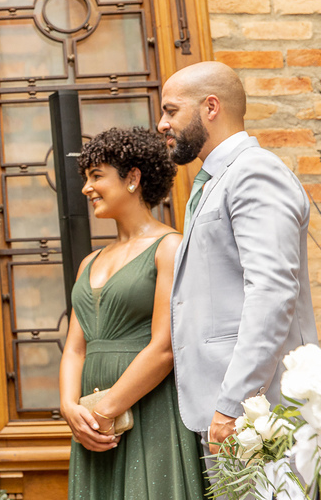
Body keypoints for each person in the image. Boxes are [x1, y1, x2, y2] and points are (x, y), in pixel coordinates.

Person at [158, 61, 318, 460]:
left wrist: (234, 403)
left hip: (261, 415)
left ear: (210, 107)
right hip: (227, 413)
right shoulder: (217, 179)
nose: (161, 124)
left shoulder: (254, 172)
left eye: (171, 110)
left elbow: (272, 291)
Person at [59, 126, 206, 500]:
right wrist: (70, 408)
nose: (86, 189)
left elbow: (165, 347)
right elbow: (76, 349)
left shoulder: (169, 248)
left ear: (133, 179)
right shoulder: (89, 262)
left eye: (96, 177)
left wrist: (106, 410)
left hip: (148, 412)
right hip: (93, 425)